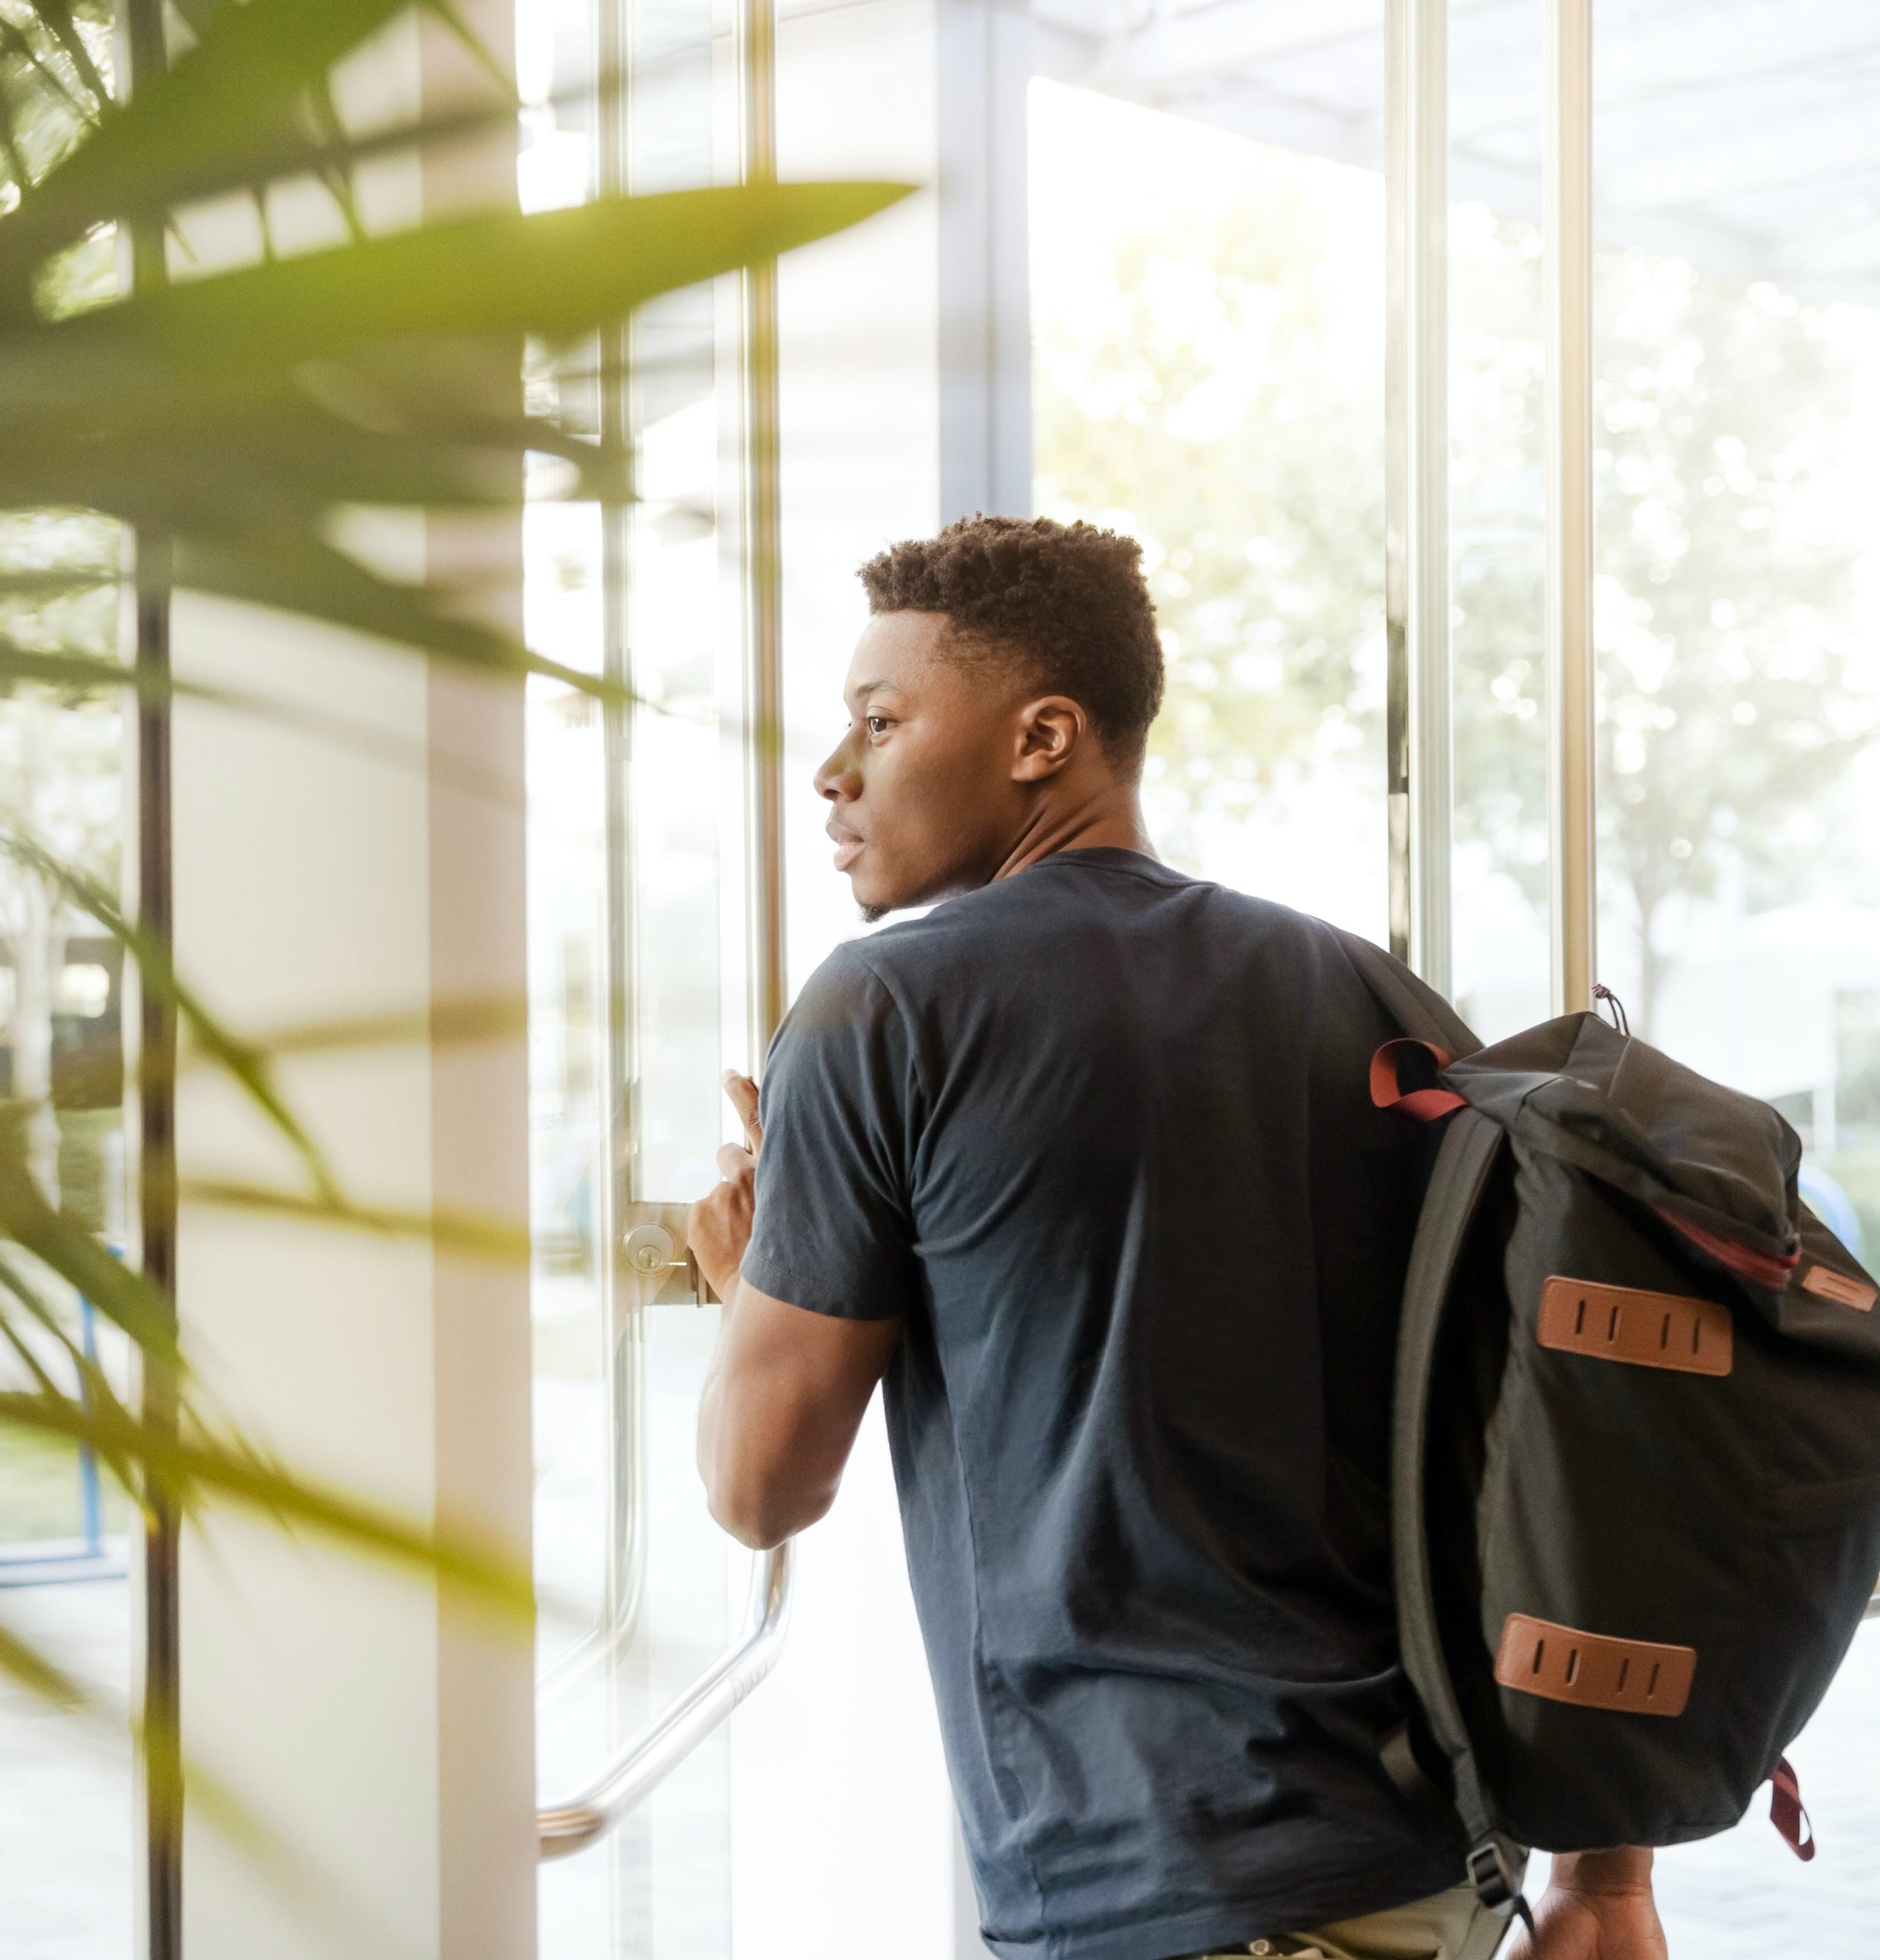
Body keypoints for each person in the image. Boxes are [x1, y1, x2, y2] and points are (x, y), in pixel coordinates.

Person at [682, 515, 1670, 1960]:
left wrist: (746, 1284)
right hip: (1435, 1863)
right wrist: (1609, 1878)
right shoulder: (1371, 998)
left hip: (1166, 1886)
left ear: (1044, 738)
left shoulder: (882, 1013)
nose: (834, 772)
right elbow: (1562, 1424)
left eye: (881, 722)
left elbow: (757, 1489)